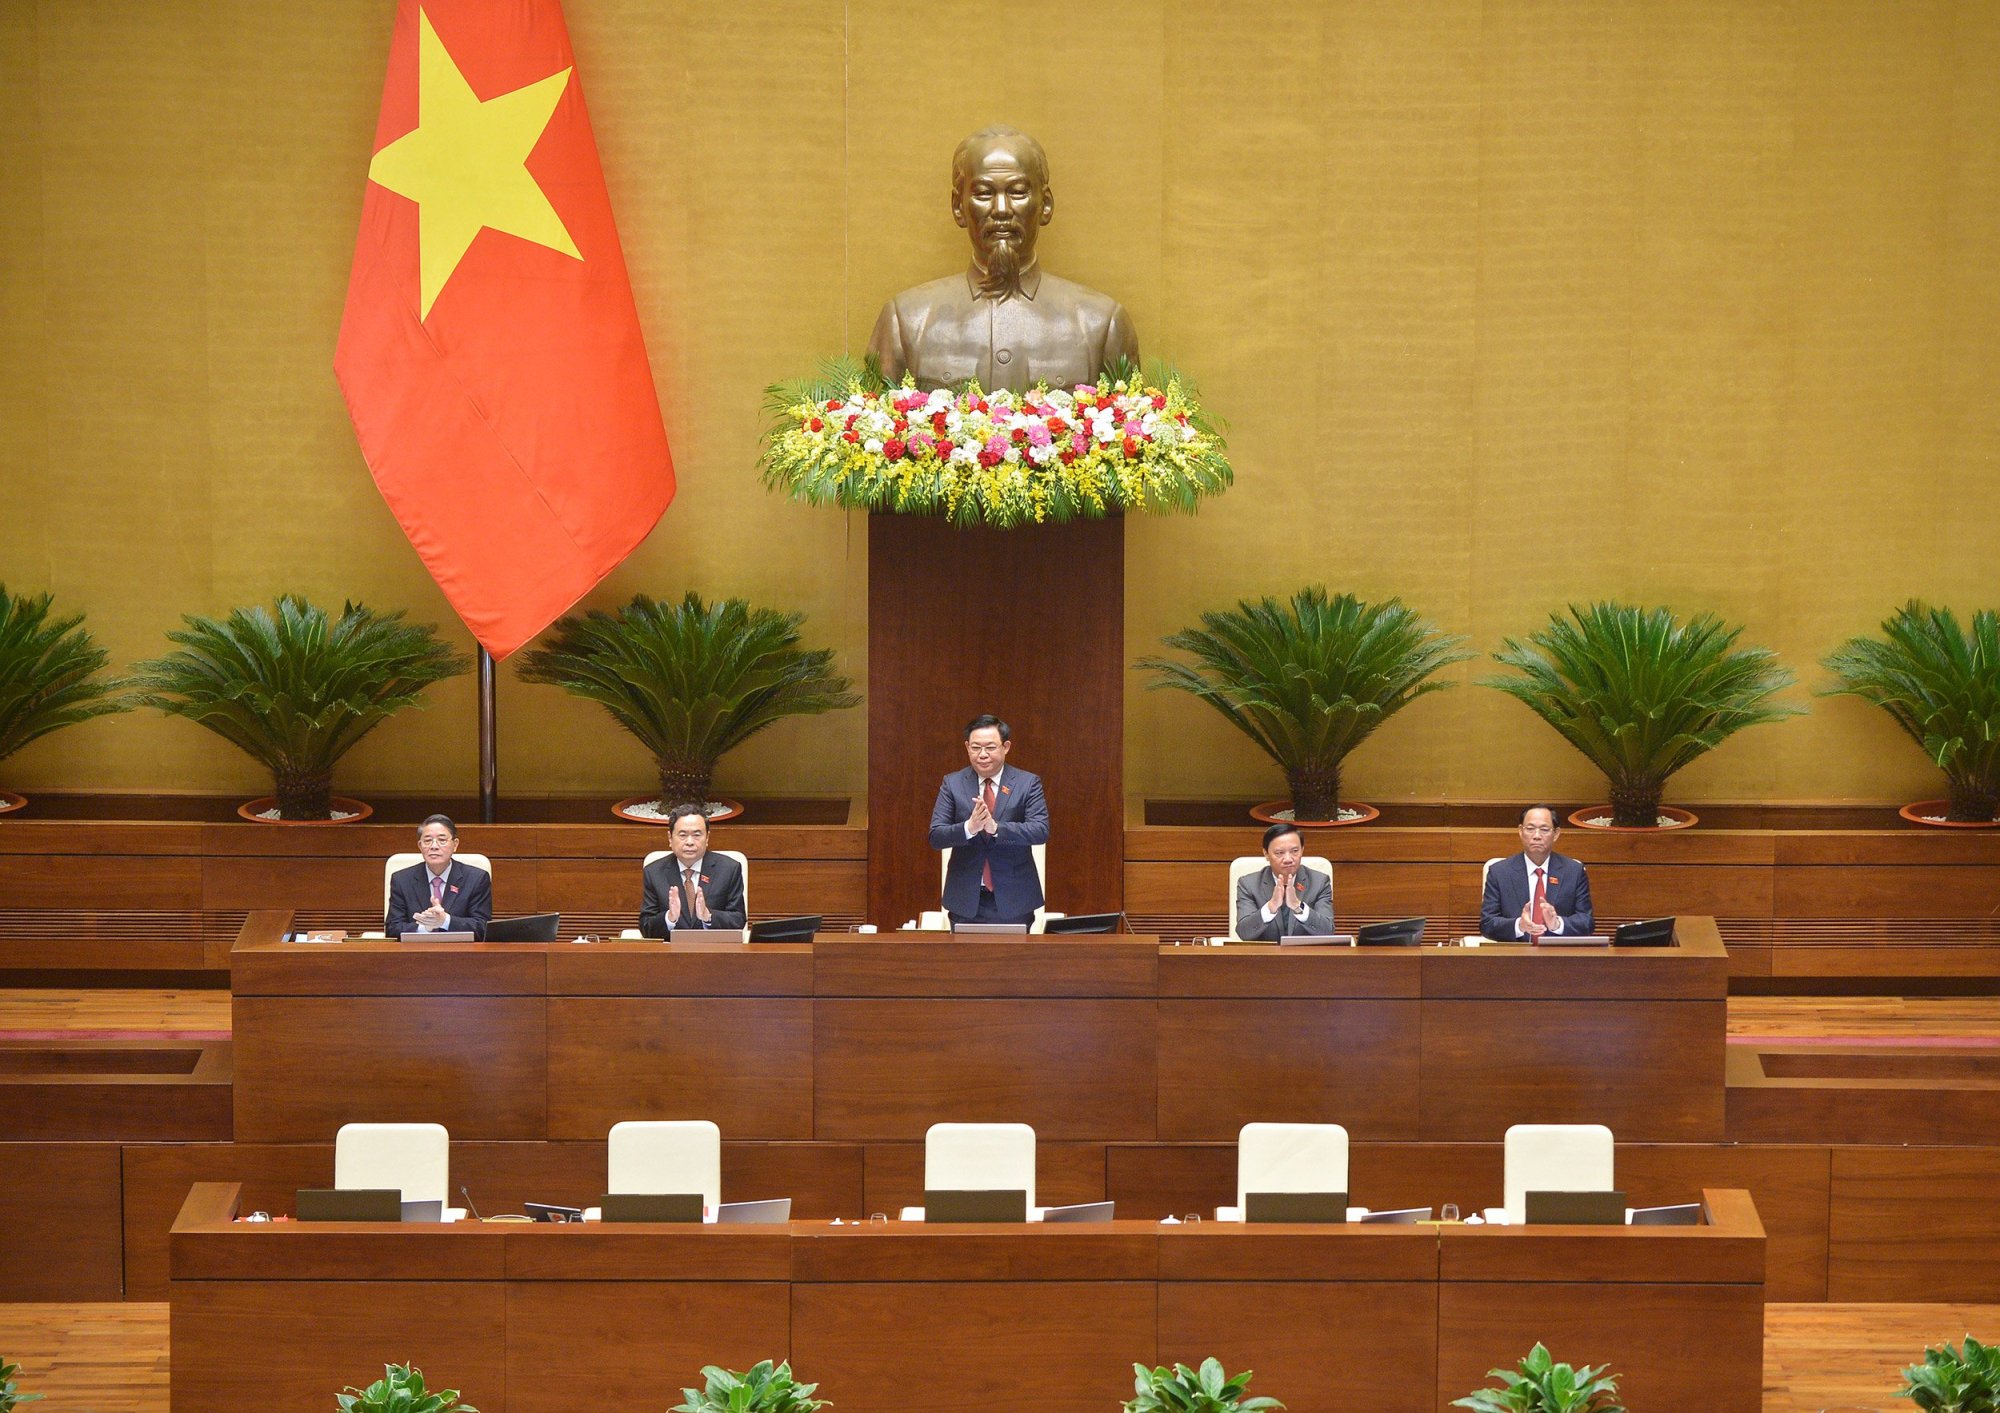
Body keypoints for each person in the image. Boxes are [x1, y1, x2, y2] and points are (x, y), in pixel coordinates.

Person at [866, 125, 1139, 394]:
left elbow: (1131, 430)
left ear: (1045, 205)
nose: (1001, 210)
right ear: (958, 207)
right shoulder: (907, 321)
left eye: (1017, 191)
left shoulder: (1100, 324)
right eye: (984, 193)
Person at [928, 713, 1050, 927]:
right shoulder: (952, 783)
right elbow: (936, 836)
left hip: (1015, 899)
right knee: (965, 961)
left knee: (1014, 961)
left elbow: (1040, 830)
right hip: (965, 899)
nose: (982, 754)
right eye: (976, 748)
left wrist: (996, 828)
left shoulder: (1027, 783)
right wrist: (969, 827)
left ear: (1006, 747)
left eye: (990, 747)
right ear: (967, 747)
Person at [1480, 804, 1594, 941]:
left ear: (1556, 834)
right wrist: (1519, 926)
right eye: (1530, 829)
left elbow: (1587, 923)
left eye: (1544, 829)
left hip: (1559, 956)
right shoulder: (1499, 872)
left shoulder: (1574, 871)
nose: (1537, 836)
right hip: (1515, 956)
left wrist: (1557, 924)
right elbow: (1487, 924)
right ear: (1521, 831)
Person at [639, 804, 747, 937]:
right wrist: (669, 918)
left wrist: (708, 916)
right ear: (670, 838)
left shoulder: (729, 869)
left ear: (707, 838)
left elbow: (738, 920)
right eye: (683, 835)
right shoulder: (654, 872)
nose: (689, 842)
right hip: (671, 952)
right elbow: (645, 926)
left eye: (697, 835)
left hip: (714, 951)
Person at [384, 814, 492, 940]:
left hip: (461, 954)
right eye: (428, 840)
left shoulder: (476, 878)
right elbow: (392, 928)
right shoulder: (402, 880)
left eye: (442, 840)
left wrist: (445, 921)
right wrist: (425, 927)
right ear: (420, 846)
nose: (434, 846)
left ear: (455, 844)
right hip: (416, 954)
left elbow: (483, 928)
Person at [1234, 822, 1335, 941]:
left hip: (1306, 956)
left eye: (1294, 851)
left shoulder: (1319, 882)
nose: (1288, 859)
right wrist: (1271, 907)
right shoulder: (1248, 884)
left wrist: (1298, 907)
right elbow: (1244, 933)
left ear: (1302, 850)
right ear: (1266, 854)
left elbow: (1328, 931)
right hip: (1265, 957)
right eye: (1279, 853)